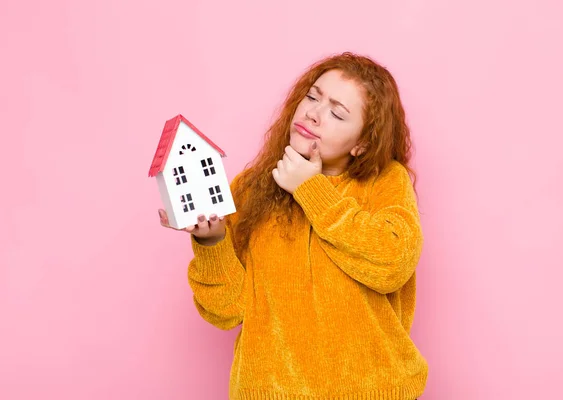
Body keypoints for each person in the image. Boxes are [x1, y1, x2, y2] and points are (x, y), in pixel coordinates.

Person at [158, 51, 427, 400]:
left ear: (362, 143)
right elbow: (227, 312)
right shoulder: (251, 187)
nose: (313, 114)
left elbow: (393, 263)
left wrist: (308, 189)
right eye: (312, 96)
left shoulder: (386, 181)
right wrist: (213, 241)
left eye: (337, 112)